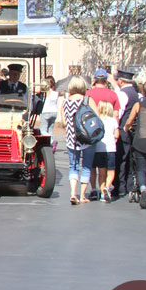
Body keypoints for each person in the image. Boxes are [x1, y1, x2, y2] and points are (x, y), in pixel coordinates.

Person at [59, 76, 93, 204]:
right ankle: (83, 195)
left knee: (73, 166)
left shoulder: (66, 102)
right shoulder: (87, 100)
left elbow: (63, 123)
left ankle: (73, 193)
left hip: (71, 139)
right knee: (86, 166)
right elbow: (96, 118)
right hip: (87, 139)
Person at [113, 69, 140, 198]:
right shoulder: (136, 93)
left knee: (120, 159)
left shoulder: (122, 94)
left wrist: (115, 127)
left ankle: (120, 186)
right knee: (129, 159)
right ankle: (129, 186)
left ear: (121, 81)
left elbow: (120, 112)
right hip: (132, 131)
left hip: (123, 130)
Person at [93, 100, 119, 202]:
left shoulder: (96, 120)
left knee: (101, 172)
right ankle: (107, 187)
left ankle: (102, 193)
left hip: (98, 149)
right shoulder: (113, 121)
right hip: (110, 149)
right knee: (111, 171)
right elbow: (116, 135)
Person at [38, 76, 60, 149]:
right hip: (54, 112)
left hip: (45, 111)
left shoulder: (46, 92)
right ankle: (50, 145)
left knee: (43, 130)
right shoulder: (56, 92)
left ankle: (52, 141)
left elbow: (37, 92)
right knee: (50, 130)